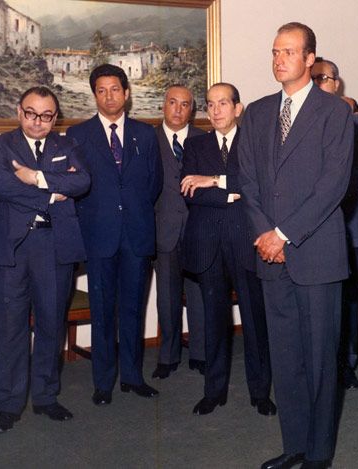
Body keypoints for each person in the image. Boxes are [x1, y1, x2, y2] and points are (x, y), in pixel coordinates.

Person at [239, 22, 353, 469]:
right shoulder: (259, 112)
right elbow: (247, 179)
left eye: (289, 52)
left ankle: (319, 454)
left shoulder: (334, 112)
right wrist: (265, 233)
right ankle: (295, 446)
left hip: (315, 253)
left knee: (321, 359)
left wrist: (283, 234)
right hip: (271, 254)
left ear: (310, 59)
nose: (279, 59)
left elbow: (333, 184)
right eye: (274, 52)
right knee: (285, 356)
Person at [0, 86, 90, 432]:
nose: (38, 121)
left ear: (55, 118)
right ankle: (9, 403)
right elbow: (2, 185)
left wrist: (35, 177)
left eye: (46, 115)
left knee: (52, 323)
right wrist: (51, 195)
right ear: (19, 112)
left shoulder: (67, 146)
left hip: (54, 247)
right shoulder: (0, 146)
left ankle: (46, 397)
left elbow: (81, 181)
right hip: (13, 249)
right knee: (10, 327)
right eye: (31, 113)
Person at [67, 64, 163, 406]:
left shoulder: (146, 134)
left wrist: (131, 213)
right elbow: (76, 188)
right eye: (102, 90)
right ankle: (104, 382)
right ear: (95, 94)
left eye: (115, 89)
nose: (109, 95)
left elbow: (153, 185)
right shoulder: (78, 135)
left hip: (136, 236)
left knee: (134, 310)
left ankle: (133, 377)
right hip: (99, 237)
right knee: (104, 310)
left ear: (126, 93)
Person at [180, 83, 276, 417]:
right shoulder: (195, 145)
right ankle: (214, 390)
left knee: (255, 319)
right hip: (208, 244)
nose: (216, 110)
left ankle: (261, 392)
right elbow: (189, 191)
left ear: (238, 108)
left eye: (223, 103)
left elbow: (260, 186)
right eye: (210, 104)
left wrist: (214, 181)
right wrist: (232, 191)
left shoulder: (255, 142)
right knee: (213, 321)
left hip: (248, 242)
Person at [311, 57, 358, 389]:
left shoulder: (355, 121)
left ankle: (347, 363)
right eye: (316, 77)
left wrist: (326, 201)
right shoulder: (296, 121)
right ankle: (319, 365)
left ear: (337, 84)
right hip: (306, 227)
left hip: (347, 225)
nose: (322, 82)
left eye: (327, 78)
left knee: (348, 299)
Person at [152, 85, 206, 379]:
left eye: (184, 104)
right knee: (167, 297)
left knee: (198, 295)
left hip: (197, 232)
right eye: (172, 102)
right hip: (164, 231)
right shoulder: (148, 139)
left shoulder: (203, 139)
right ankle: (168, 356)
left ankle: (200, 353)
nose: (177, 109)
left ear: (192, 109)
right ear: (164, 105)